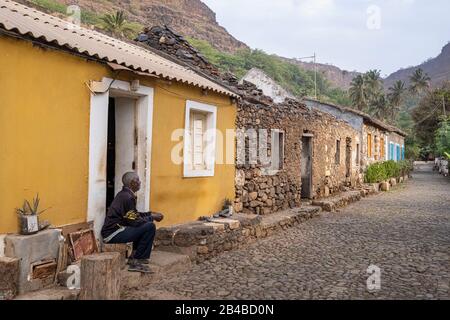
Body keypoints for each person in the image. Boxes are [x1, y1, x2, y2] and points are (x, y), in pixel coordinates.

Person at [101, 172, 164, 273]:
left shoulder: (125, 194)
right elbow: (134, 221)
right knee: (149, 227)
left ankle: (134, 257)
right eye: (138, 180)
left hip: (118, 229)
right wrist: (151, 217)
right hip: (113, 233)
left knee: (144, 226)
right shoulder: (127, 197)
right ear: (132, 183)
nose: (140, 182)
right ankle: (137, 261)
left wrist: (150, 214)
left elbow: (134, 215)